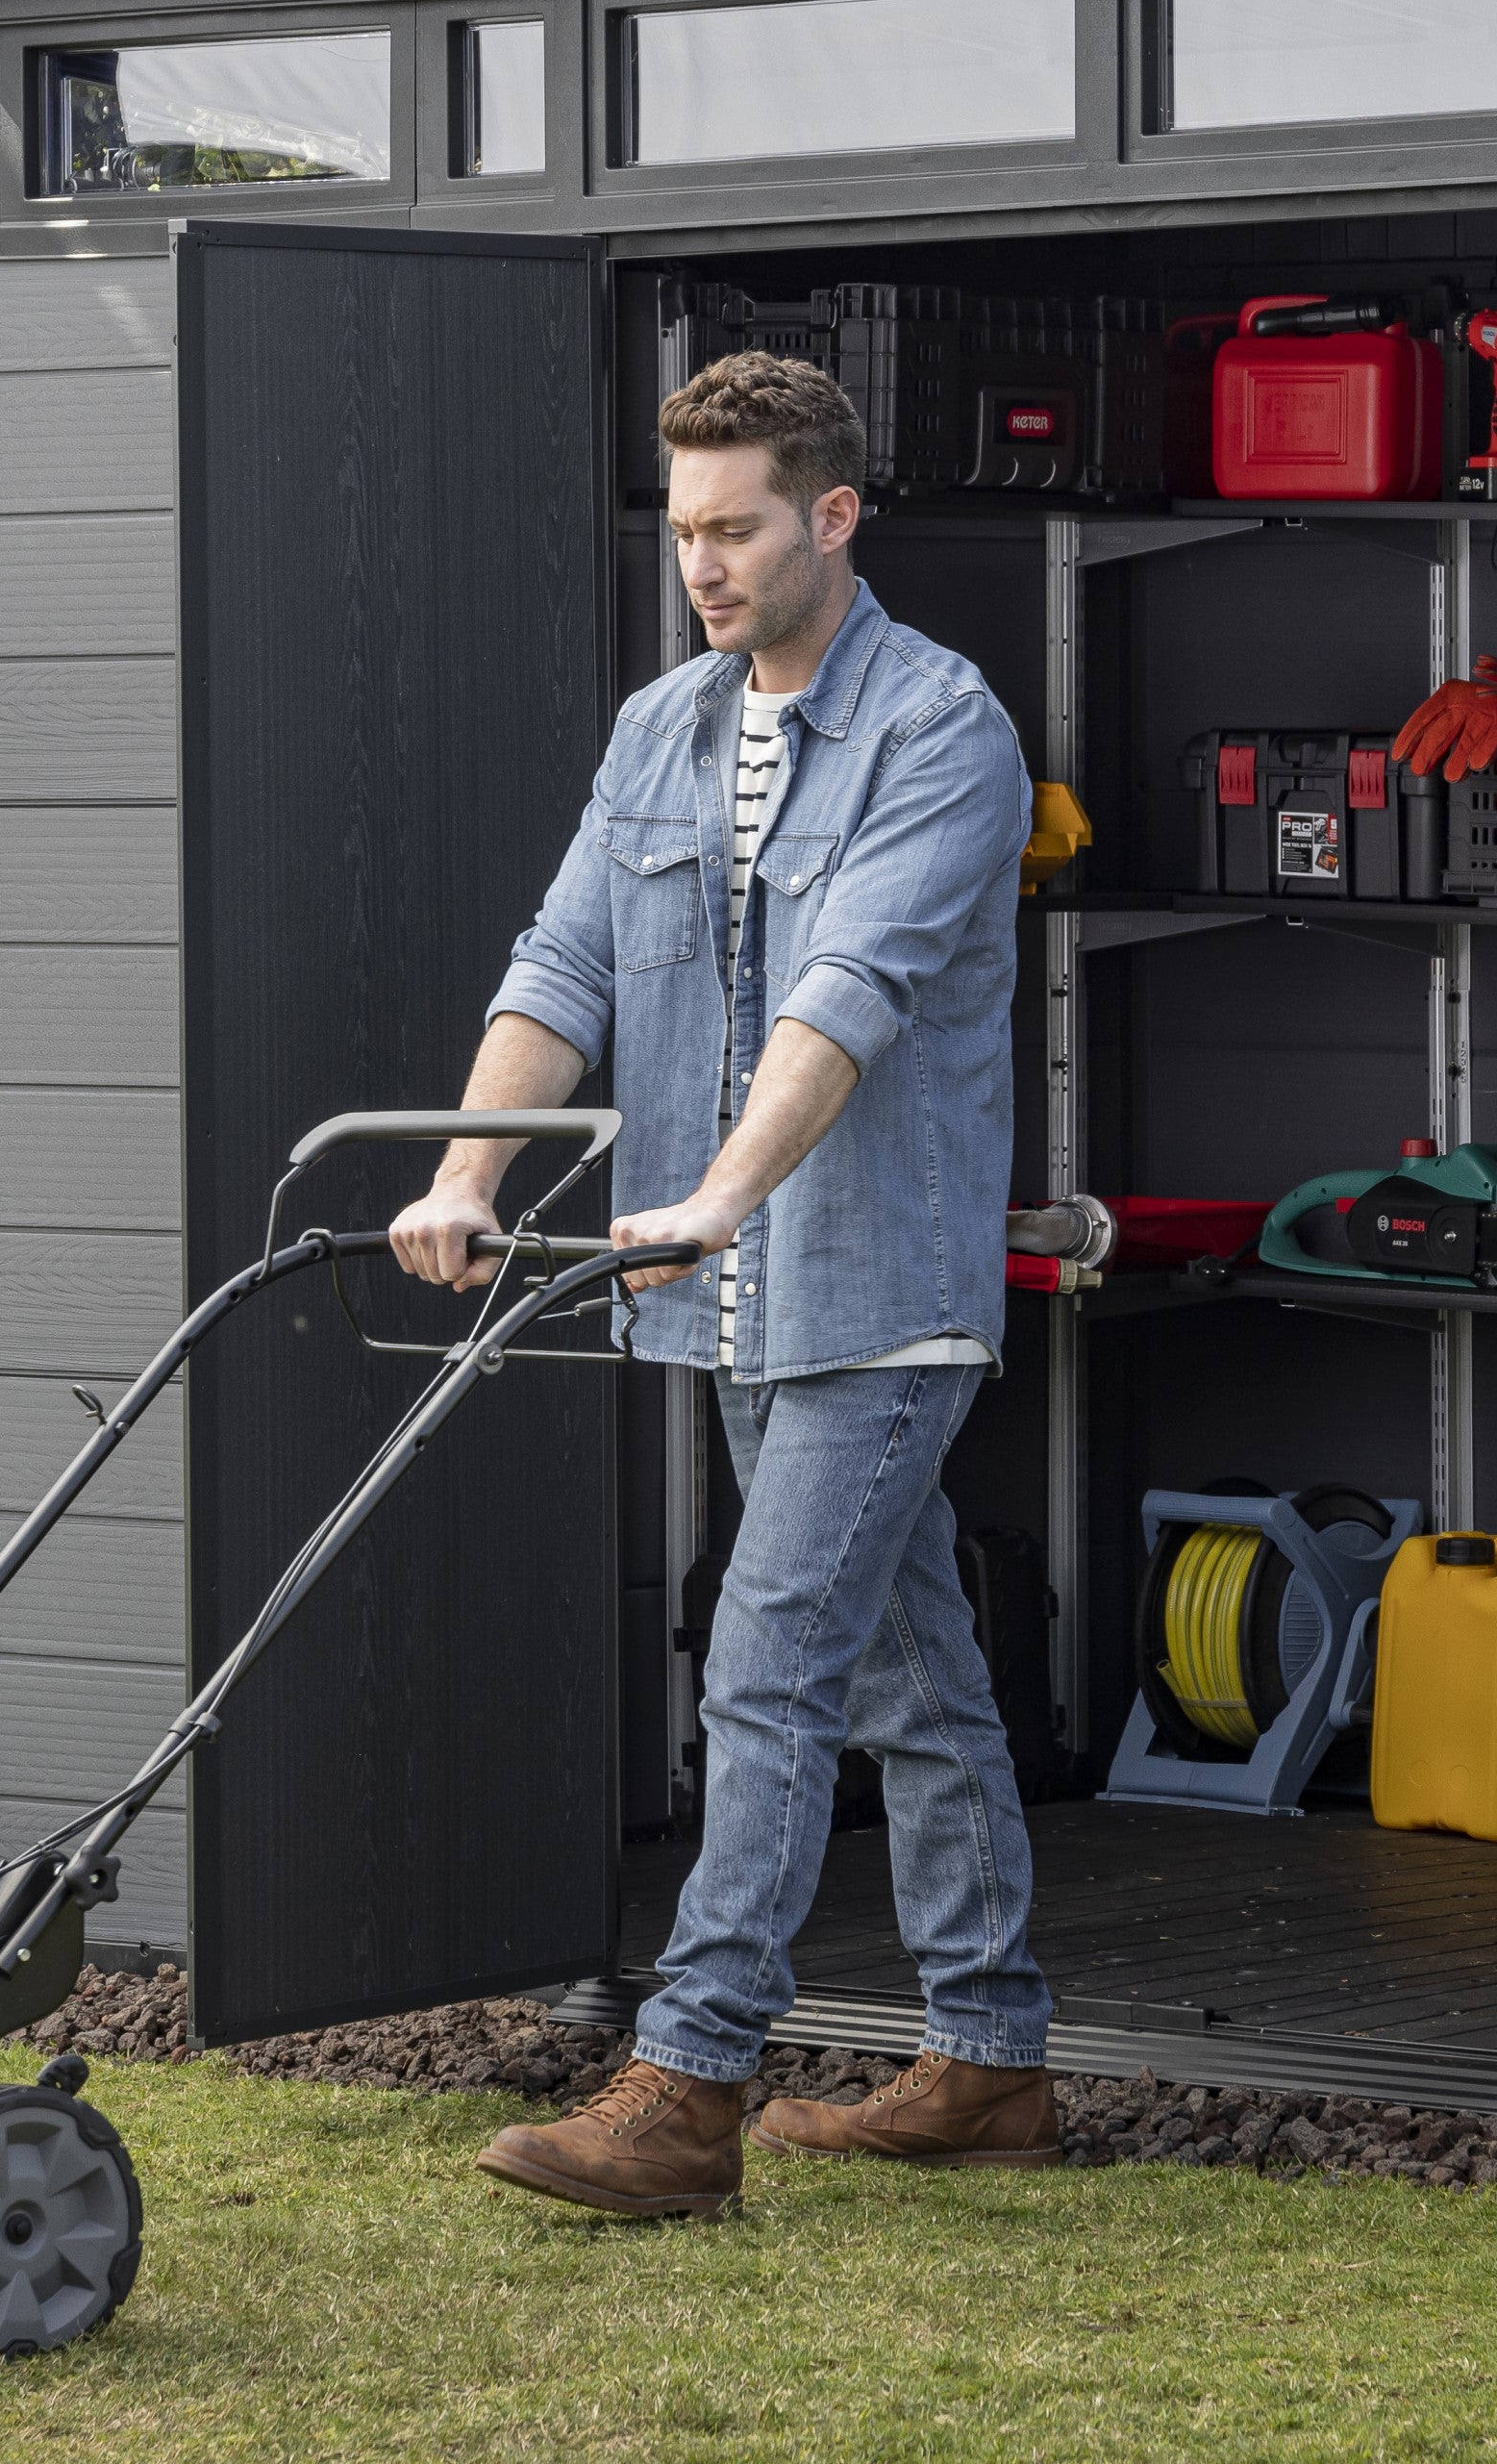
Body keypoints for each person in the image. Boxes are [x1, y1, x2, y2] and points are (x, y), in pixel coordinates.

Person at [387, 347, 1050, 2217]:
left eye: (738, 525)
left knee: (764, 1663)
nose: (704, 561)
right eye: (682, 528)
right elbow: (564, 964)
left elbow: (851, 994)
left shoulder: (945, 727)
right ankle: (993, 2053)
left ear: (833, 515)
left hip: (882, 1286)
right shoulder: (658, 728)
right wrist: (464, 1171)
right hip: (738, 1304)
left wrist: (720, 1191)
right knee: (907, 1671)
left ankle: (687, 2079)